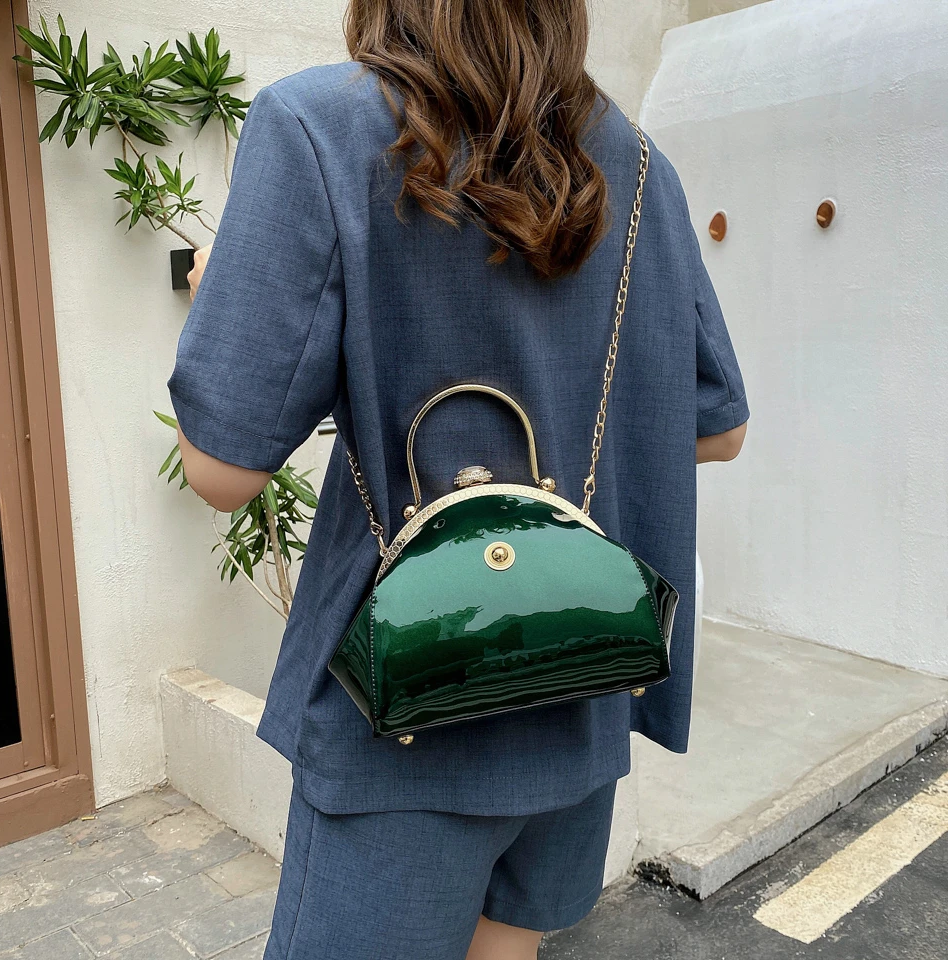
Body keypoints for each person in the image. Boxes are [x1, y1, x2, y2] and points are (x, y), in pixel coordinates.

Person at [167, 2, 748, 957]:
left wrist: (218, 299)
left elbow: (221, 469)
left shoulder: (318, 127)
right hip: (580, 678)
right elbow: (717, 432)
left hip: (406, 717)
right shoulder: (635, 164)